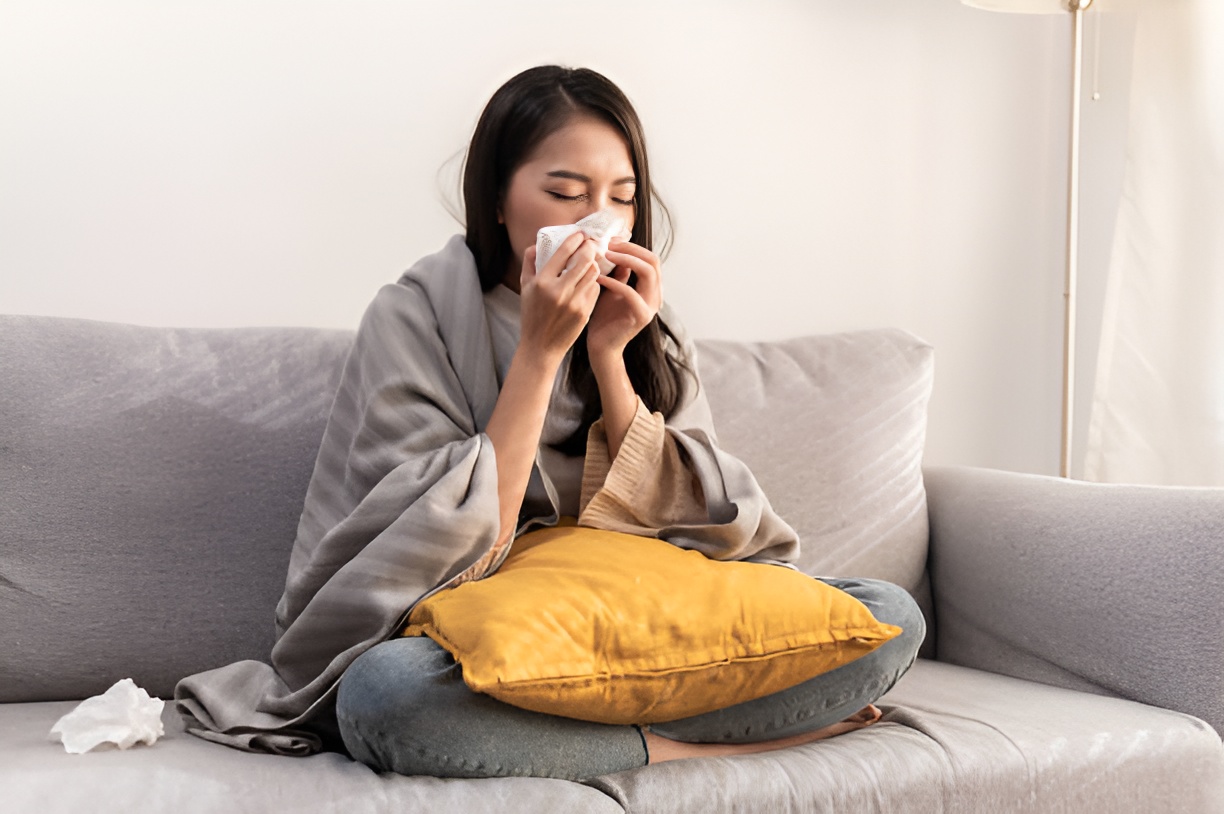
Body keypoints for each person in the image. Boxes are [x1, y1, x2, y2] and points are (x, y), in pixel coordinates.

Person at [173, 64, 925, 780]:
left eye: (622, 197)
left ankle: (572, 742)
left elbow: (708, 532)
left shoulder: (650, 326)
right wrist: (539, 350)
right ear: (498, 200)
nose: (599, 219)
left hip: (630, 624)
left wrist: (610, 357)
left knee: (889, 615)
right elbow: (425, 546)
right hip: (484, 629)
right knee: (384, 699)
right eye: (566, 192)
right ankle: (677, 751)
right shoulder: (415, 316)